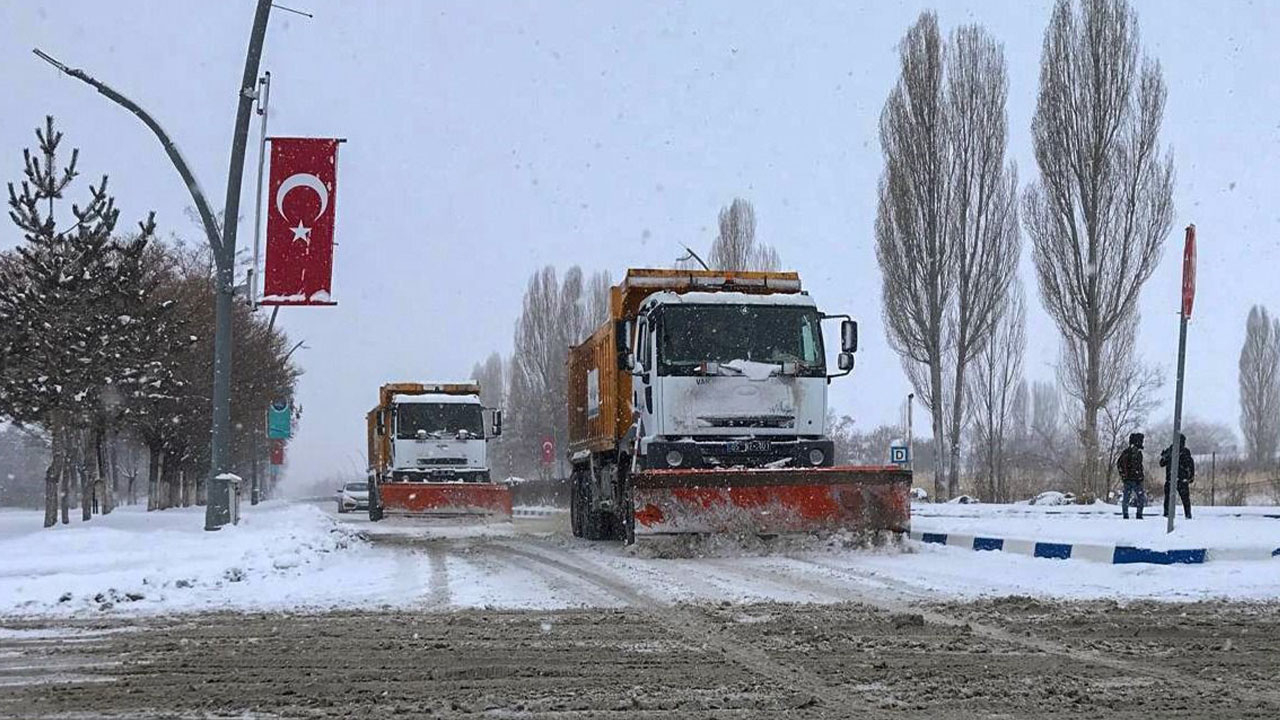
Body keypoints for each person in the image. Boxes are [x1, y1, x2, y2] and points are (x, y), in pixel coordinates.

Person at [1160, 433, 1195, 519]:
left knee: (1176, 498)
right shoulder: (1175, 450)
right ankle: (1186, 514)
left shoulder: (1173, 450)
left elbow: (1162, 463)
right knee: (1183, 499)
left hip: (1174, 478)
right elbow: (1162, 463)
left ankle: (1168, 513)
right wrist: (1191, 476)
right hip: (1176, 478)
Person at [1115, 432, 1146, 519]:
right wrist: (1125, 476)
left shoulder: (1130, 452)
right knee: (1138, 497)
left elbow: (1120, 464)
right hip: (1133, 479)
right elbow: (1120, 464)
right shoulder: (1130, 453)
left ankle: (1128, 514)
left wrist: (1124, 476)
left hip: (1132, 479)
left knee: (1128, 498)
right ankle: (1135, 515)